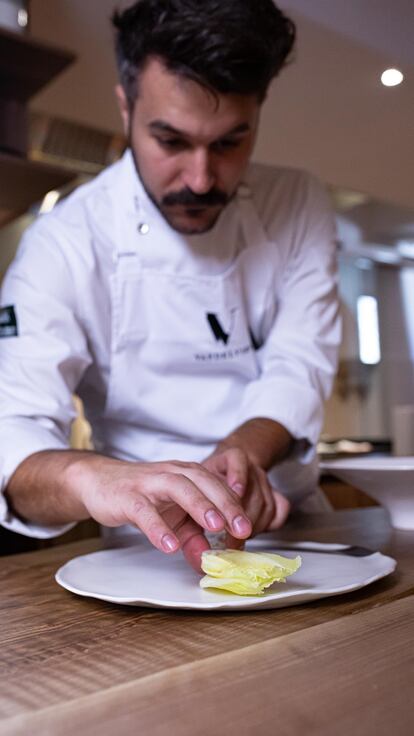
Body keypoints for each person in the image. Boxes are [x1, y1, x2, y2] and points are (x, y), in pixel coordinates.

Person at [0, 0, 340, 572]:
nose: (202, 179)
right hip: (149, 553)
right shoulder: (63, 242)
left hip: (296, 523)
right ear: (126, 106)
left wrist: (245, 452)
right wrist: (87, 475)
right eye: (172, 142)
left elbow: (299, 362)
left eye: (231, 142)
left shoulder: (298, 202)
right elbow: (12, 436)